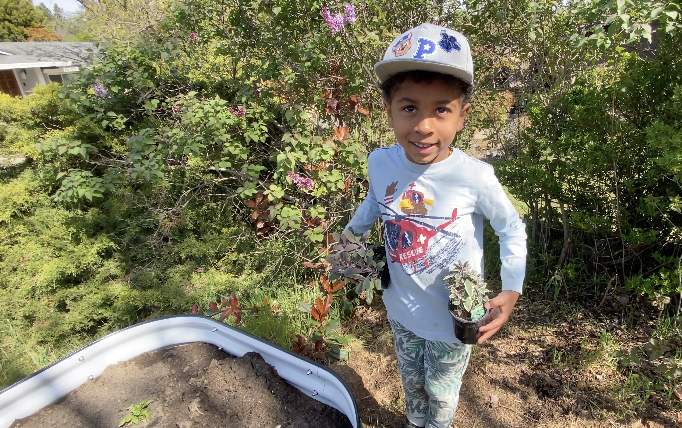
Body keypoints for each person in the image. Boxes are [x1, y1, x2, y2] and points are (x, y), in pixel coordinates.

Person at [344, 23, 527, 428]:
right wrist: (349, 236)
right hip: (400, 308)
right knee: (413, 385)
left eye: (441, 109)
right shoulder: (380, 162)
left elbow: (511, 227)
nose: (424, 126)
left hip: (454, 319)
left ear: (462, 117)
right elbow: (375, 201)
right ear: (389, 111)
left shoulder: (474, 176)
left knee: (442, 393)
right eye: (409, 108)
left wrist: (512, 288)